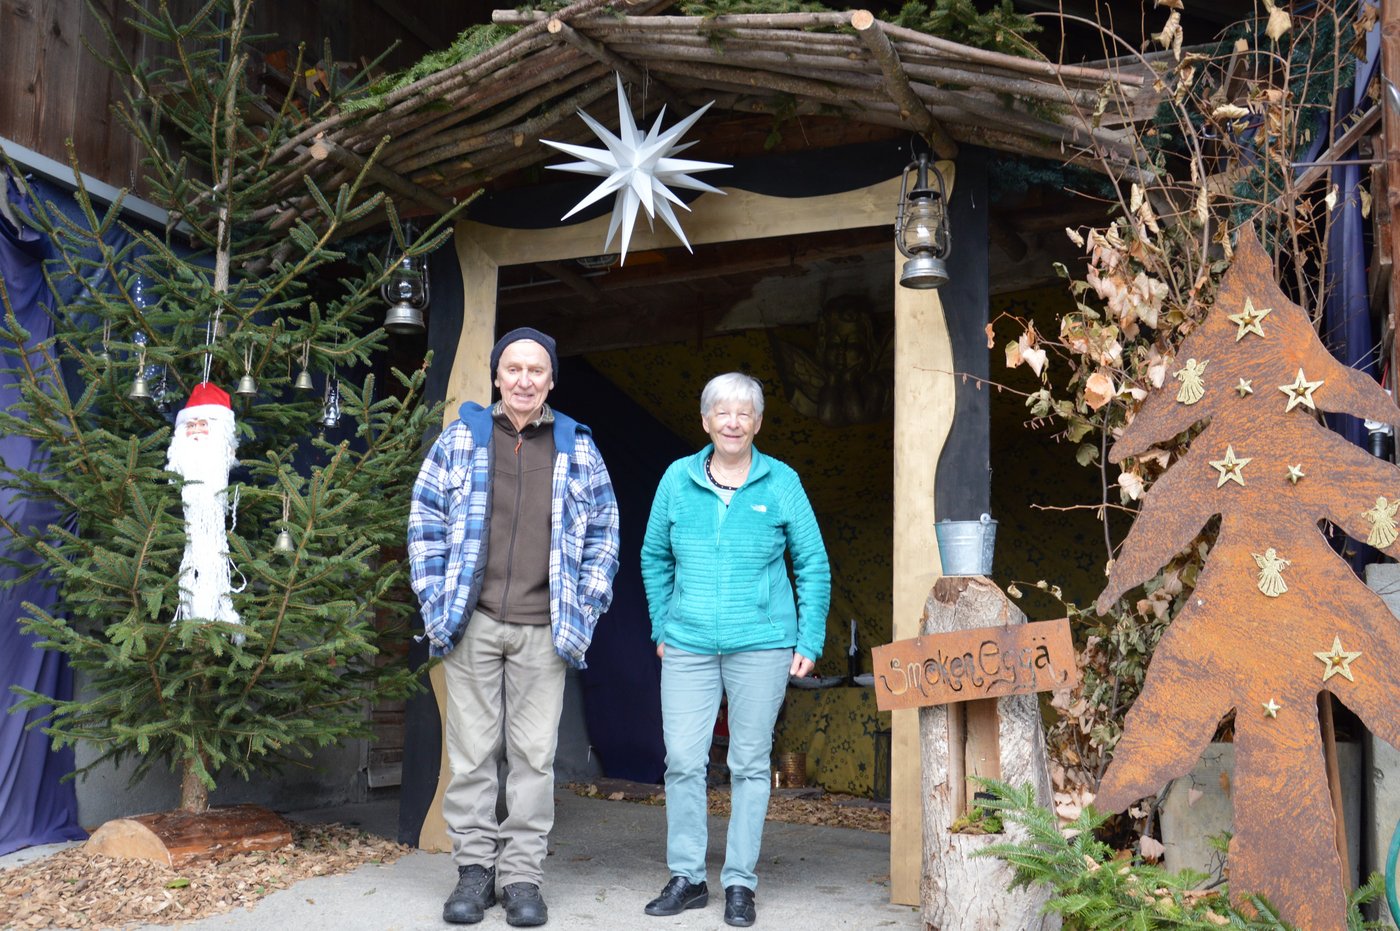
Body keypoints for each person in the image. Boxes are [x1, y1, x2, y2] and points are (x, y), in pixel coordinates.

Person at [408, 327, 620, 927]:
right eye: (514, 369)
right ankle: (475, 874)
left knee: (533, 758)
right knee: (473, 757)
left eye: (536, 370)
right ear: (498, 377)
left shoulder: (578, 445)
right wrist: (434, 600)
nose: (524, 380)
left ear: (551, 380)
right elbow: (423, 520)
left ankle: (523, 877)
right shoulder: (461, 440)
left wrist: (589, 603)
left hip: (545, 628)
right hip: (471, 624)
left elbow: (605, 532)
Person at [639, 372, 830, 928]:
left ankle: (740, 883)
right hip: (688, 643)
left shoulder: (781, 482)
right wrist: (661, 625)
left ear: (758, 423)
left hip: (763, 645)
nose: (733, 421)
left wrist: (809, 637)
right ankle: (688, 877)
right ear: (705, 421)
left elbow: (812, 564)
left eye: (744, 413)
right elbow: (654, 557)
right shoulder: (677, 479)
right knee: (682, 761)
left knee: (749, 764)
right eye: (722, 412)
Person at [167, 381, 241, 634]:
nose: (196, 431)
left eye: (203, 425)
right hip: (192, 519)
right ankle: (192, 609)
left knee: (213, 552)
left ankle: (214, 608)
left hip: (214, 519)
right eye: (190, 425)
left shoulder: (217, 459)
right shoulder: (186, 462)